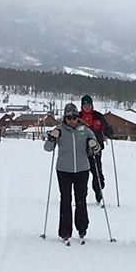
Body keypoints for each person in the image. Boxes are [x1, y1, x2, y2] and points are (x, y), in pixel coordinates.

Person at [44, 103, 100, 242]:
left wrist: (94, 145)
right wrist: (52, 137)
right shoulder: (59, 129)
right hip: (63, 170)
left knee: (81, 199)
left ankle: (82, 228)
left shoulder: (85, 130)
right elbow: (47, 148)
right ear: (65, 118)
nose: (72, 120)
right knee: (66, 199)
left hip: (82, 169)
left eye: (74, 117)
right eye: (69, 118)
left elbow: (97, 149)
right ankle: (65, 231)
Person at [79, 94, 113, 203]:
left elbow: (107, 129)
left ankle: (99, 193)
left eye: (88, 105)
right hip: (81, 151)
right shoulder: (78, 117)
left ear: (92, 105)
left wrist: (109, 131)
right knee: (81, 175)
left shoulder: (99, 117)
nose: (87, 107)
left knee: (97, 174)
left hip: (96, 150)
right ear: (81, 106)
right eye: (84, 105)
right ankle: (81, 196)